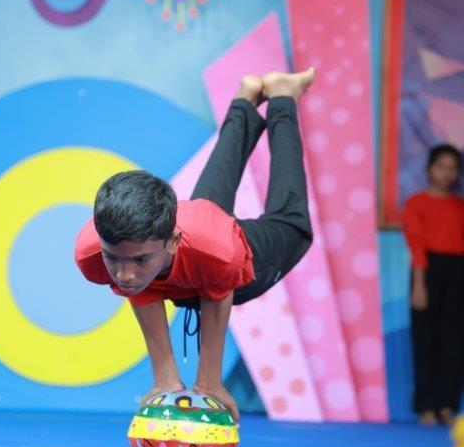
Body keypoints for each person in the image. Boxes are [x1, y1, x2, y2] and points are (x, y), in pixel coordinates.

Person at [75, 70, 315, 422]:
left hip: (225, 260)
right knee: (207, 206)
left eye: (138, 260)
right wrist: (165, 378)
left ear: (172, 241)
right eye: (114, 258)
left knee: (294, 225)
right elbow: (141, 288)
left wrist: (209, 382)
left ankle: (282, 97)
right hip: (194, 238)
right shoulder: (94, 253)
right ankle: (245, 98)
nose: (123, 274)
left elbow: (215, 297)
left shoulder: (217, 253)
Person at [403, 144, 464, 426]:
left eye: (452, 168)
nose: (446, 173)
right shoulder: (416, 203)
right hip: (426, 271)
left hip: (458, 273)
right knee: (425, 340)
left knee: (455, 341)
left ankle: (448, 405)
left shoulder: (460, 207)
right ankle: (425, 406)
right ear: (429, 169)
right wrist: (419, 285)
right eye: (441, 166)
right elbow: (416, 245)